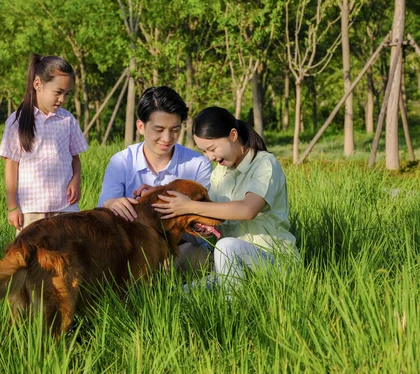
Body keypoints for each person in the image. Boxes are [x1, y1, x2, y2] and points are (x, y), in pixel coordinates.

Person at [152, 106, 297, 290]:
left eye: (212, 148)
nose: (210, 157)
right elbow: (211, 214)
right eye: (204, 151)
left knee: (226, 245)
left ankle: (235, 307)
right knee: (182, 295)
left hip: (275, 263)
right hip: (233, 265)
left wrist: (189, 206)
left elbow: (247, 209)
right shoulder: (220, 173)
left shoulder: (264, 164)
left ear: (233, 135)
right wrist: (158, 194)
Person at [98, 86, 212, 270]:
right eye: (159, 129)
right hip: (133, 253)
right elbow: (105, 218)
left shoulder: (198, 164)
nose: (167, 138)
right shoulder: (121, 162)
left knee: (201, 257)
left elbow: (205, 224)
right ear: (141, 126)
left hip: (181, 249)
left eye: (175, 129)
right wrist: (111, 204)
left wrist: (169, 205)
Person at [0, 54, 88, 232]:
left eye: (67, 94)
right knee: (29, 255)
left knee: (67, 254)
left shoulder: (67, 120)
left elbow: (75, 158)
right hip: (31, 208)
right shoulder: (17, 121)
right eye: (58, 92)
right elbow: (11, 166)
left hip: (64, 206)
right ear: (38, 84)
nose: (62, 99)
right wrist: (12, 206)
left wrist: (76, 180)